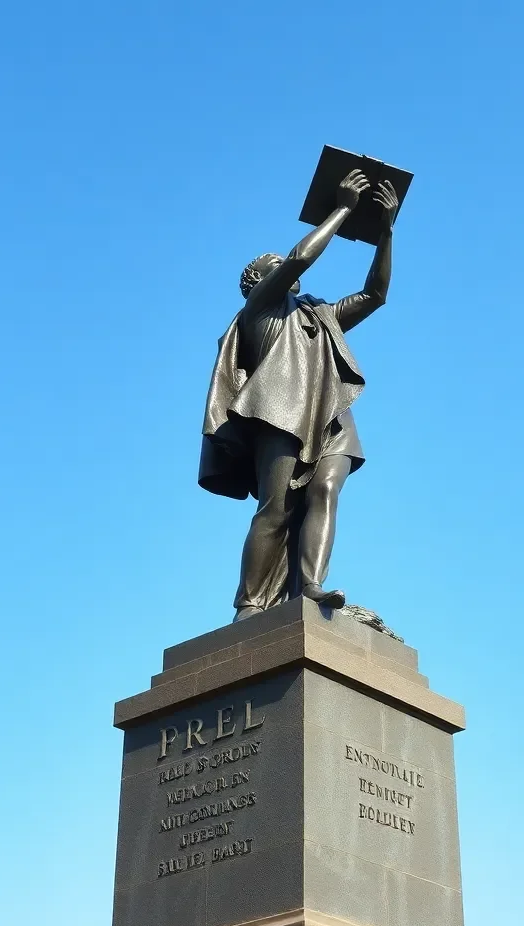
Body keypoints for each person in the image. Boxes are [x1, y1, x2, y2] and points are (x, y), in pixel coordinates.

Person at [200, 170, 398, 621]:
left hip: (329, 418)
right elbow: (299, 258)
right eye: (273, 266)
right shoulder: (261, 309)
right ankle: (249, 604)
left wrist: (385, 232)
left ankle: (310, 586)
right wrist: (343, 209)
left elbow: (375, 294)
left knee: (326, 490)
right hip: (279, 414)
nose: (285, 268)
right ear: (258, 280)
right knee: (277, 509)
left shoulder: (319, 316)